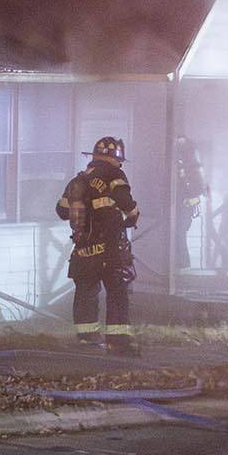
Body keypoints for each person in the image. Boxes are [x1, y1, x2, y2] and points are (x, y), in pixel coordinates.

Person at [57, 135, 140, 354]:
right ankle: (118, 341)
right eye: (119, 161)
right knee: (117, 291)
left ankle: (87, 338)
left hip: (84, 249)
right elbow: (125, 202)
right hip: (110, 249)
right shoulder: (115, 175)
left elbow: (62, 211)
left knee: (86, 292)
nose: (120, 164)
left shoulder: (79, 180)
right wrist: (133, 214)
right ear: (115, 158)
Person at [174, 135, 207, 271]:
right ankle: (181, 265)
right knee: (179, 235)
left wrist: (188, 200)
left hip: (184, 206)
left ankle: (183, 265)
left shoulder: (190, 166)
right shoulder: (189, 164)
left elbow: (198, 189)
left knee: (179, 234)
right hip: (182, 205)